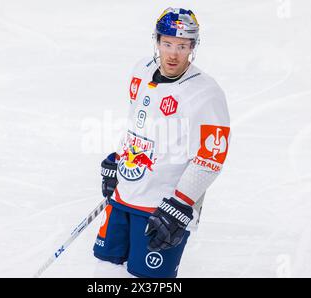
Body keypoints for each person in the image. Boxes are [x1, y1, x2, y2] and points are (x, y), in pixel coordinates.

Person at [94, 7, 231, 278]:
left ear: (193, 47)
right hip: (124, 196)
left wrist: (181, 203)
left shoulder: (205, 92)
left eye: (182, 46)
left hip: (162, 208)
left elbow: (211, 156)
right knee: (105, 268)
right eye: (167, 43)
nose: (172, 53)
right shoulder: (141, 71)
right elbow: (138, 125)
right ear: (156, 41)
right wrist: (119, 159)